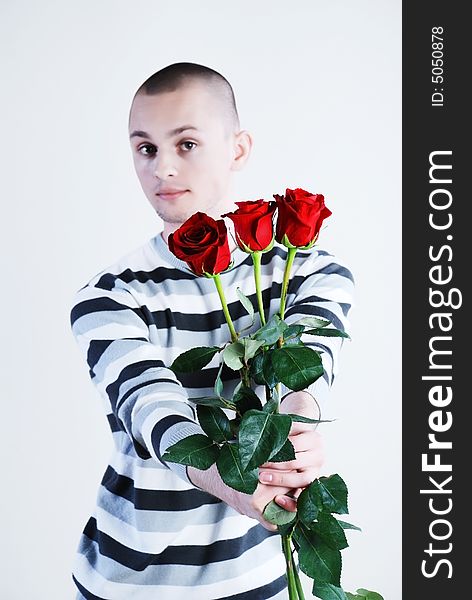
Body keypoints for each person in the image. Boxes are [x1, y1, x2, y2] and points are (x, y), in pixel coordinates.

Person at [70, 62, 354, 600]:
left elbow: (309, 365)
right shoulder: (110, 294)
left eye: (187, 144)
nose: (163, 169)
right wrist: (235, 487)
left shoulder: (310, 270)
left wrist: (295, 442)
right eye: (146, 148)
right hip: (134, 581)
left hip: (256, 578)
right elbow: (152, 408)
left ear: (238, 149)